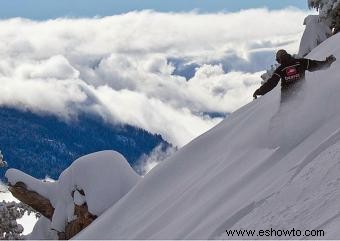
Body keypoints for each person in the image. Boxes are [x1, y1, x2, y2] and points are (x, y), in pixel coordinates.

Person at [253, 49, 336, 100]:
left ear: (279, 59)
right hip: (302, 94)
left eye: (278, 60)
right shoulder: (301, 62)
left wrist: (259, 91)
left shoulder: (280, 69)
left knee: (282, 119)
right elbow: (315, 65)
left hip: (287, 99)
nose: (278, 62)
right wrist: (327, 63)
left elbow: (271, 84)